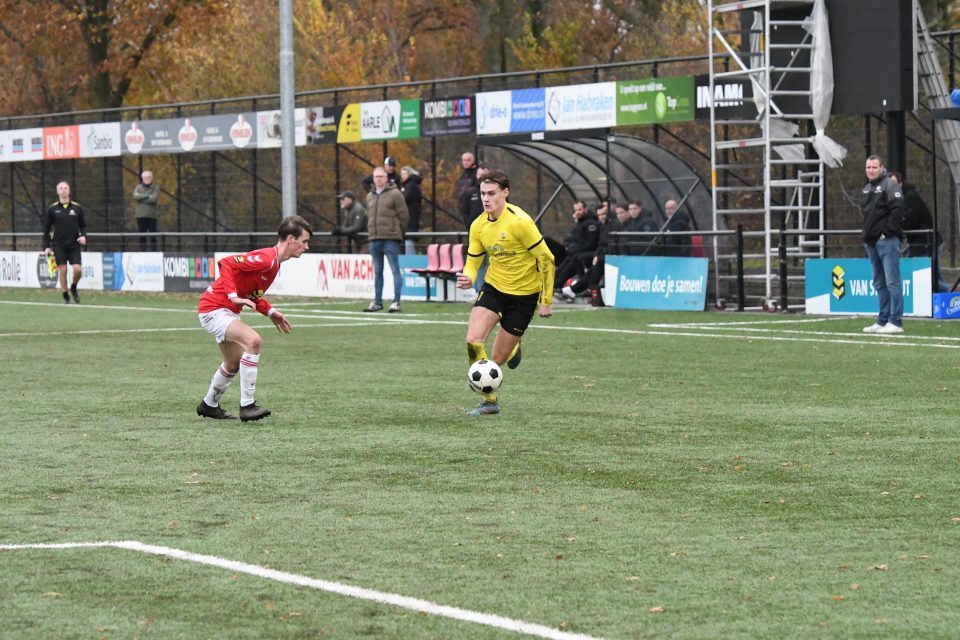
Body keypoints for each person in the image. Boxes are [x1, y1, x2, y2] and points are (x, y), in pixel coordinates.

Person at [456, 169, 555, 417]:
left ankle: (512, 347)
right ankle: (490, 402)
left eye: (492, 193)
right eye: (482, 194)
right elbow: (473, 260)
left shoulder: (520, 222)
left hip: (524, 297)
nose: (486, 198)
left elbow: (546, 259)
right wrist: (468, 276)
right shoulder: (478, 225)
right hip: (494, 288)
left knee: (496, 361)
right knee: (473, 341)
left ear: (505, 193)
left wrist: (546, 301)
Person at [196, 215, 313, 422]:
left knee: (232, 363)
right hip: (214, 308)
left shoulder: (274, 264)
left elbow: (252, 294)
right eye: (304, 241)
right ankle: (247, 405)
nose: (306, 247)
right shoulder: (267, 259)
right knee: (254, 341)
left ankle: (208, 404)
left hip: (225, 310)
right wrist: (232, 296)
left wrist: (270, 312)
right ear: (290, 239)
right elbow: (227, 264)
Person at [860, 155, 906, 334]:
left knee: (892, 281)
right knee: (879, 283)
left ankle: (896, 321)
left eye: (874, 167)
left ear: (882, 168)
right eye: (868, 167)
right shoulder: (866, 189)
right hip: (871, 243)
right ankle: (883, 320)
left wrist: (885, 233)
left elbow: (898, 211)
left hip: (887, 242)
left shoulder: (890, 185)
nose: (871, 170)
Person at [889, 172, 948, 294]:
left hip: (927, 242)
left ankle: (947, 297)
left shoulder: (911, 197)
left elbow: (907, 222)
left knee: (929, 276)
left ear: (900, 183)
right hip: (919, 243)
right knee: (934, 274)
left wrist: (893, 225)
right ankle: (946, 299)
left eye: (894, 184)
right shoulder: (895, 200)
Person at [364, 167, 408, 313]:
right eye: (376, 177)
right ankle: (377, 301)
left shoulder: (395, 194)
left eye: (381, 176)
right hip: (374, 239)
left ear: (386, 178)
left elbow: (404, 216)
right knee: (377, 272)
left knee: (395, 270)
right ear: (373, 178)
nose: (379, 179)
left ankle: (396, 302)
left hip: (391, 238)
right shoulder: (369, 196)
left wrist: (398, 232)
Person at [561, 199, 619, 306]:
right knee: (584, 261)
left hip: (612, 255)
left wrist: (598, 255)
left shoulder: (611, 225)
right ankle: (580, 288)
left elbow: (607, 244)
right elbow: (600, 244)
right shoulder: (601, 225)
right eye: (600, 214)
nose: (602, 216)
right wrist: (597, 255)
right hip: (600, 254)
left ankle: (581, 288)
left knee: (590, 263)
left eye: (604, 214)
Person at [42, 181, 87, 304]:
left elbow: (83, 226)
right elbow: (46, 228)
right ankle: (65, 295)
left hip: (74, 245)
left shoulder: (77, 208)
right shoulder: (52, 209)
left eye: (65, 188)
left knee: (77, 269)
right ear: (57, 192)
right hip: (58, 244)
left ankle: (73, 288)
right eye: (61, 188)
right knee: (63, 270)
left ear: (69, 190)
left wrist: (83, 236)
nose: (63, 190)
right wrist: (46, 246)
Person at [553, 200, 600, 290]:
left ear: (585, 209)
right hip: (572, 254)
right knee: (558, 272)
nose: (577, 212)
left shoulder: (591, 223)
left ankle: (576, 288)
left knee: (562, 276)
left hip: (580, 255)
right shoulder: (580, 222)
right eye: (576, 210)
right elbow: (570, 238)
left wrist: (576, 249)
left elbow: (591, 243)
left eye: (580, 209)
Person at [132, 170, 159, 251]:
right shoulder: (138, 187)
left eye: (149, 177)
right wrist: (147, 196)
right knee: (142, 236)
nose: (147, 179)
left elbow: (154, 199)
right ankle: (142, 252)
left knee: (153, 236)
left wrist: (141, 198)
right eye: (145, 177)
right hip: (140, 216)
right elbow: (135, 197)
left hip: (152, 216)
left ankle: (154, 252)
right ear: (142, 178)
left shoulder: (155, 188)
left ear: (152, 178)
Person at [400, 165, 423, 255]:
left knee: (408, 241)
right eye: (401, 174)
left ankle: (410, 263)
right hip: (413, 217)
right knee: (409, 241)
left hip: (410, 218)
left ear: (409, 174)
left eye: (404, 174)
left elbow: (406, 199)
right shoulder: (412, 185)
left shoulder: (410, 186)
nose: (402, 176)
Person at [457, 151, 479, 230]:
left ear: (473, 161)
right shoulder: (463, 175)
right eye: (464, 160)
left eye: (468, 160)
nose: (466, 162)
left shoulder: (476, 174)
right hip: (464, 209)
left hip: (473, 209)